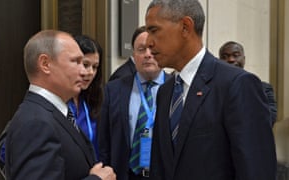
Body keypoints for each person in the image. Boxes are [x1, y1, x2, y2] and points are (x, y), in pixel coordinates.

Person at [145, 0, 276, 180]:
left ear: (185, 27)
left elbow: (256, 170)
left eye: (154, 30)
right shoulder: (165, 92)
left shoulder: (236, 85)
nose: (149, 42)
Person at [5, 30, 116, 180]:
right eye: (76, 62)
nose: (83, 71)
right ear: (45, 64)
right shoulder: (36, 122)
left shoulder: (53, 112)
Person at [98, 26, 171, 180]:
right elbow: (104, 140)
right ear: (133, 55)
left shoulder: (177, 88)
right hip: (125, 174)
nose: (148, 55)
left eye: (153, 49)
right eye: (141, 49)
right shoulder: (114, 89)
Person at [219, 41, 277, 126]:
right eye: (225, 57)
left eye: (236, 55)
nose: (231, 59)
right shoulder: (214, 89)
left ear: (244, 59)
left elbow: (269, 120)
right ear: (219, 60)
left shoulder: (263, 88)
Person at [69, 35, 103, 159]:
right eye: (85, 65)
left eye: (94, 67)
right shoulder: (57, 100)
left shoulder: (92, 100)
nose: (90, 73)